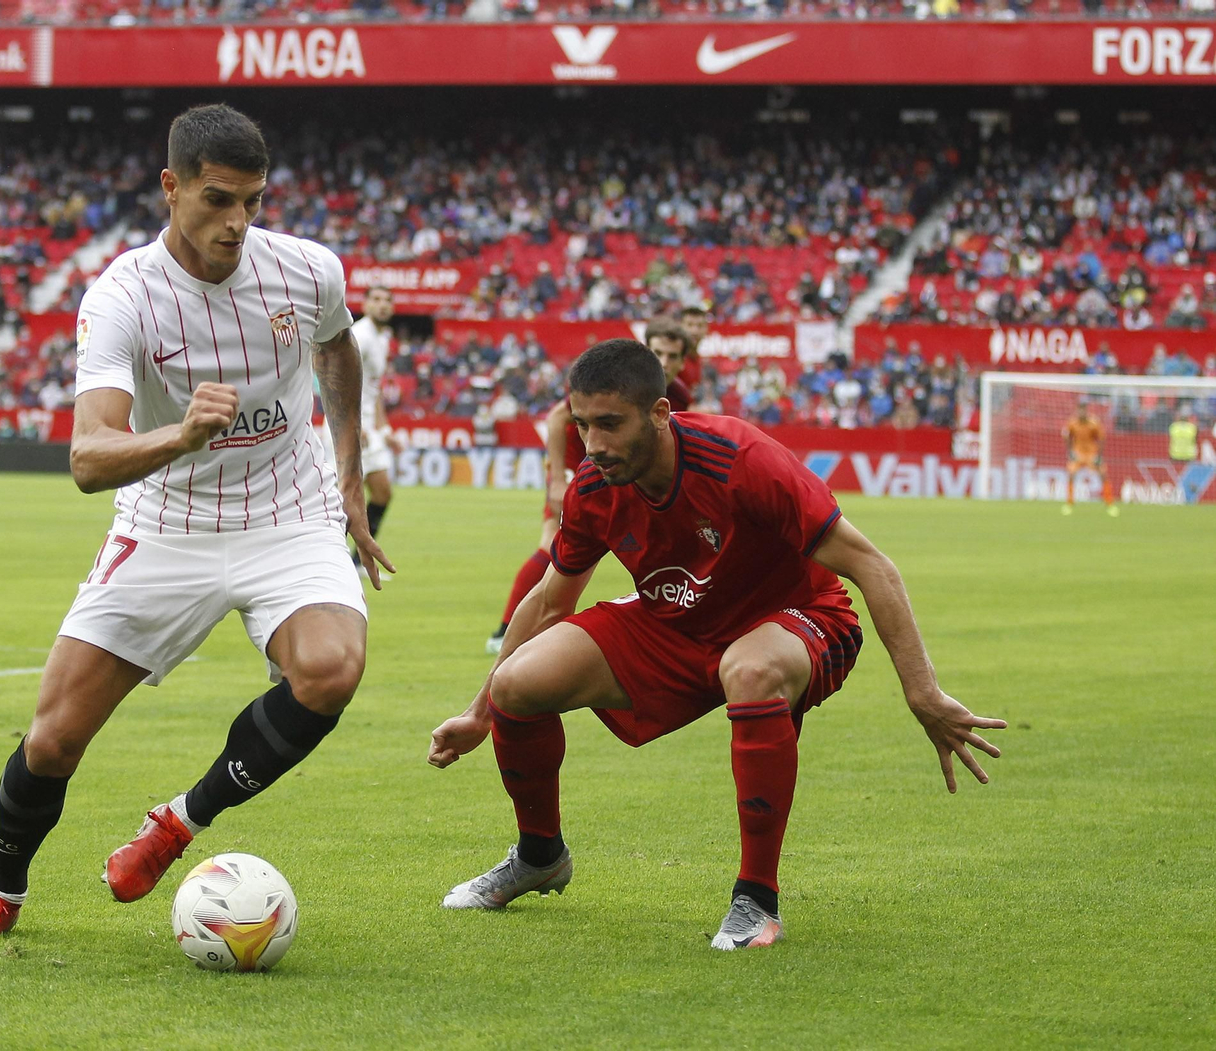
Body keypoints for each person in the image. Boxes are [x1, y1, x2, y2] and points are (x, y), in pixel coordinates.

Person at [0, 104, 393, 941]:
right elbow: (86, 458)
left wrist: (351, 477)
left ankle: (178, 823)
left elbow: (337, 349)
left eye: (253, 201)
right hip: (167, 520)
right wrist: (180, 433)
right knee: (52, 740)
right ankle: (1, 890)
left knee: (331, 667)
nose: (238, 223)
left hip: (288, 513)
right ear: (171, 186)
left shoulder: (306, 269)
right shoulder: (122, 297)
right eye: (218, 200)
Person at [432, 339, 1004, 951]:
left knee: (750, 670)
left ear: (658, 413)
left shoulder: (741, 460)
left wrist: (923, 693)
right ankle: (540, 855)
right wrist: (479, 712)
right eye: (582, 425)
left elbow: (873, 567)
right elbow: (550, 600)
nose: (593, 444)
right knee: (517, 683)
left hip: (798, 616)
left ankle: (756, 900)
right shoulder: (594, 486)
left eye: (609, 424)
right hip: (676, 622)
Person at [484, 317, 699, 654]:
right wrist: (557, 479)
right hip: (578, 465)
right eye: (658, 352)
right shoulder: (623, 382)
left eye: (673, 356)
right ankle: (504, 631)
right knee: (550, 545)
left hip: (621, 471)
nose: (665, 362)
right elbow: (557, 418)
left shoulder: (679, 396)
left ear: (685, 361)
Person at [348, 285, 399, 571]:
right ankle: (330, 560)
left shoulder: (382, 337)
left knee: (382, 493)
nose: (383, 305)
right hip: (352, 426)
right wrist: (353, 424)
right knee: (342, 498)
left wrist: (385, 428)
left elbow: (374, 387)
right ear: (365, 305)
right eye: (377, 300)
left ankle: (357, 560)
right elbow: (340, 379)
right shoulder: (360, 335)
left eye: (388, 300)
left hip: (368, 427)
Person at [1063, 401, 1119, 516]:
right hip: (1078, 453)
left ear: (1086, 410)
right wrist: (1070, 452)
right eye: (1079, 409)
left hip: (1092, 453)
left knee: (1103, 475)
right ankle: (1069, 503)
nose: (1081, 412)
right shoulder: (1072, 423)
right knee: (1071, 474)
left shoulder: (1094, 422)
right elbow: (1067, 436)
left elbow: (1101, 438)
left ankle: (1109, 503)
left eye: (1083, 409)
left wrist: (1099, 455)